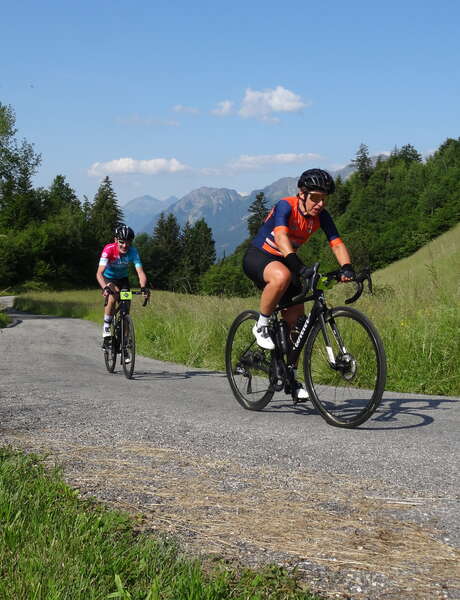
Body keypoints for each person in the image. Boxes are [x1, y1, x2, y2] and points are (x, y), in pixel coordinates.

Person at [242, 168, 355, 401]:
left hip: (288, 261)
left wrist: (347, 268)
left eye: (324, 198)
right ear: (301, 194)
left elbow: (336, 243)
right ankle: (261, 324)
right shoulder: (286, 206)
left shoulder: (321, 216)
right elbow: (282, 237)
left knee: (296, 325)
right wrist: (299, 266)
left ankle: (290, 378)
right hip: (259, 257)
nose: (320, 203)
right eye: (315, 197)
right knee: (282, 276)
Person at [96, 224, 150, 349]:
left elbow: (140, 272)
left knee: (126, 306)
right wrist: (105, 287)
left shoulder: (133, 252)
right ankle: (106, 327)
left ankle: (124, 340)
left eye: (128, 242)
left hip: (123, 279)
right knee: (114, 296)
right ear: (116, 240)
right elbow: (99, 273)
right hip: (108, 278)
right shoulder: (108, 249)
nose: (125, 245)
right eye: (121, 242)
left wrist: (143, 287)